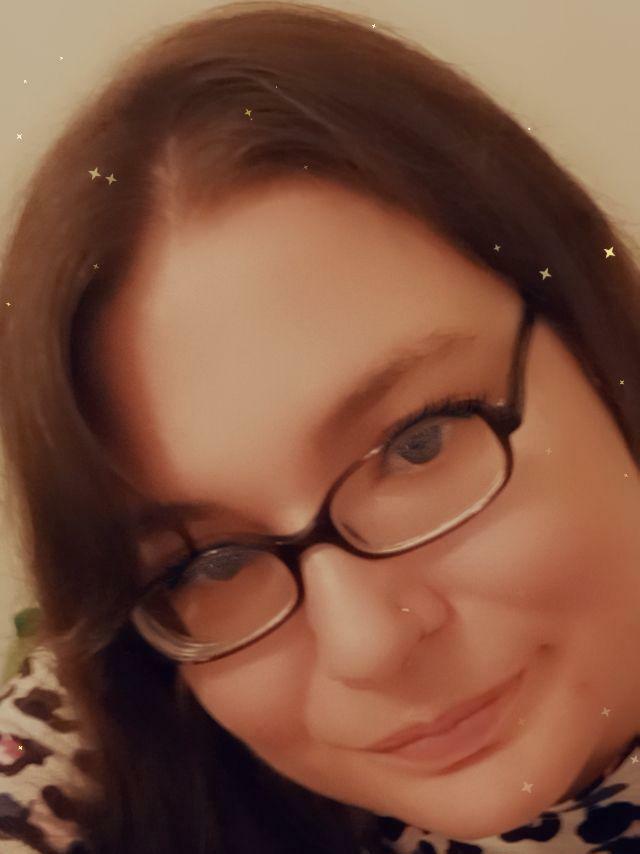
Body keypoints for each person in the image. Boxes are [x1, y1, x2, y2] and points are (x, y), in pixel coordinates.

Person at [0, 1, 639, 852]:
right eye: (210, 564)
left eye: (418, 444)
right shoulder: (101, 749)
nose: (365, 645)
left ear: (595, 343)